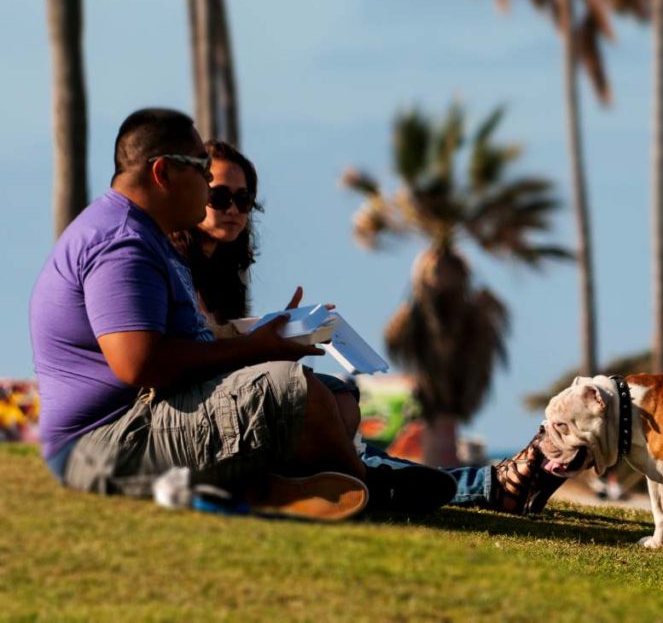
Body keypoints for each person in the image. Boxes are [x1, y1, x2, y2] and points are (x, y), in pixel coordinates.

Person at [170, 138, 564, 514]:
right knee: (337, 422)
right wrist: (260, 338)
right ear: (191, 194)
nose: (234, 209)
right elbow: (192, 347)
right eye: (219, 196)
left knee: (343, 398)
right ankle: (478, 485)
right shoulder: (173, 263)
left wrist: (280, 330)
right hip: (200, 410)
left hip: (232, 394)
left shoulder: (221, 268)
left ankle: (479, 484)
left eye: (243, 199)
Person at [30, 108, 376, 520]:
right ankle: (372, 491)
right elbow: (139, 364)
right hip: (102, 445)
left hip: (139, 422)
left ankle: (278, 485)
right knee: (290, 388)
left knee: (327, 393)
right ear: (163, 174)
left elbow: (186, 342)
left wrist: (267, 336)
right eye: (202, 170)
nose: (210, 182)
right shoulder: (123, 244)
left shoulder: (145, 236)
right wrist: (252, 351)